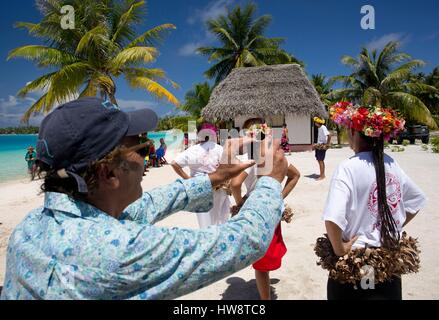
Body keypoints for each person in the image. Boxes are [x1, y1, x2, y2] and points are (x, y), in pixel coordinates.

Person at [1, 97, 288, 300]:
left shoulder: (29, 229)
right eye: (142, 149)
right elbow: (244, 240)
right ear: (108, 174)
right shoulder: (121, 251)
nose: (148, 156)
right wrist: (271, 180)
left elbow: (148, 205)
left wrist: (213, 178)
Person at [316, 102, 427, 300]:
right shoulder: (391, 163)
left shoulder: (348, 168)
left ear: (354, 132)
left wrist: (341, 250)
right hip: (388, 263)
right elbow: (416, 201)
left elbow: (332, 219)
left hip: (358, 264)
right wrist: (392, 226)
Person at [230, 118, 301, 300]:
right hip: (271, 212)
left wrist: (239, 205)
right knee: (267, 254)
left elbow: (236, 184)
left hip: (256, 213)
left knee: (261, 263)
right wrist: (278, 198)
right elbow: (295, 175)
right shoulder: (274, 157)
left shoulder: (249, 159)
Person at [171, 123, 230, 228]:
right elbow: (228, 167)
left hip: (199, 188)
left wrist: (188, 179)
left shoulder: (191, 150)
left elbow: (174, 163)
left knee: (204, 221)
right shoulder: (219, 148)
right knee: (220, 219)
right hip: (218, 187)